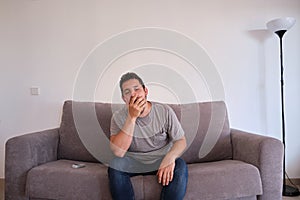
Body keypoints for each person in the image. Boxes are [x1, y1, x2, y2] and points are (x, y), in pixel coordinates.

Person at [108, 72, 188, 200]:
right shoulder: (118, 117)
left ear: (145, 91)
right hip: (133, 162)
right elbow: (118, 152)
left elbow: (181, 140)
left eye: (137, 89)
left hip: (160, 160)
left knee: (180, 165)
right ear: (124, 98)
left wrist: (170, 157)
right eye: (127, 92)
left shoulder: (164, 111)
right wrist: (132, 117)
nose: (133, 94)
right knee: (116, 164)